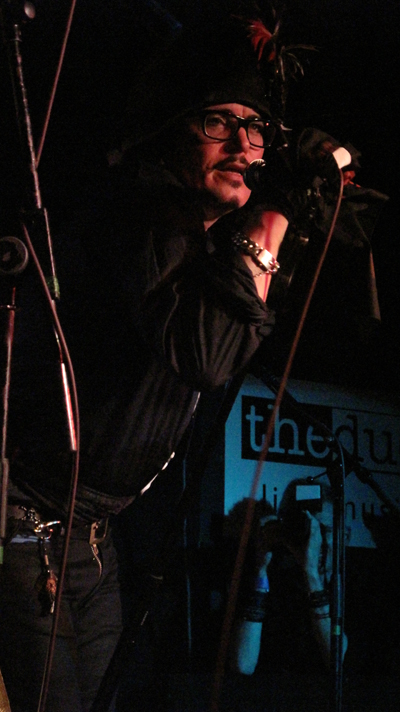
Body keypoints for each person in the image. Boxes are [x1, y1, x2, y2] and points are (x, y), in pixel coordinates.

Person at [0, 5, 297, 712]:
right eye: (218, 122)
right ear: (174, 132)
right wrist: (267, 228)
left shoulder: (205, 245)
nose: (243, 143)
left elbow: (226, 343)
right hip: (24, 525)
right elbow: (206, 356)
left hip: (91, 537)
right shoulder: (145, 215)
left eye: (255, 126)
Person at [229, 479, 349, 709]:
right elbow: (243, 664)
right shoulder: (272, 583)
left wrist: (312, 574)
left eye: (323, 530)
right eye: (304, 528)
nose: (313, 539)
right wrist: (261, 568)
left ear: (344, 536)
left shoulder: (357, 586)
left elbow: (339, 661)